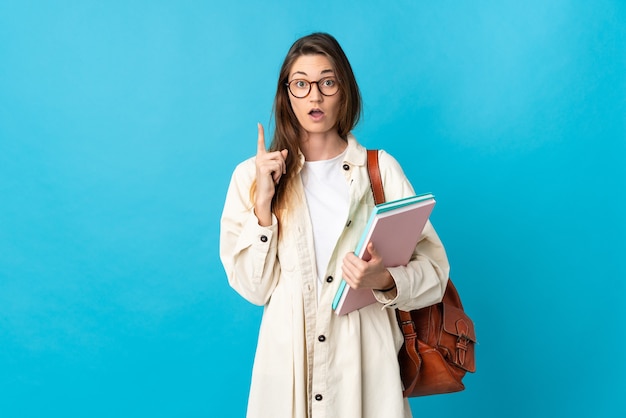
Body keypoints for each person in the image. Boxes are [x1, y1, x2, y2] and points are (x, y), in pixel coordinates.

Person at [220, 32, 450, 418]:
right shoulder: (252, 176)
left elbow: (435, 274)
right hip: (287, 374)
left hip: (366, 372)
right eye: (301, 84)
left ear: (344, 89)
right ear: (286, 93)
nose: (314, 96)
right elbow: (253, 288)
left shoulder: (380, 171)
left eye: (327, 82)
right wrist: (263, 206)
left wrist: (383, 280)